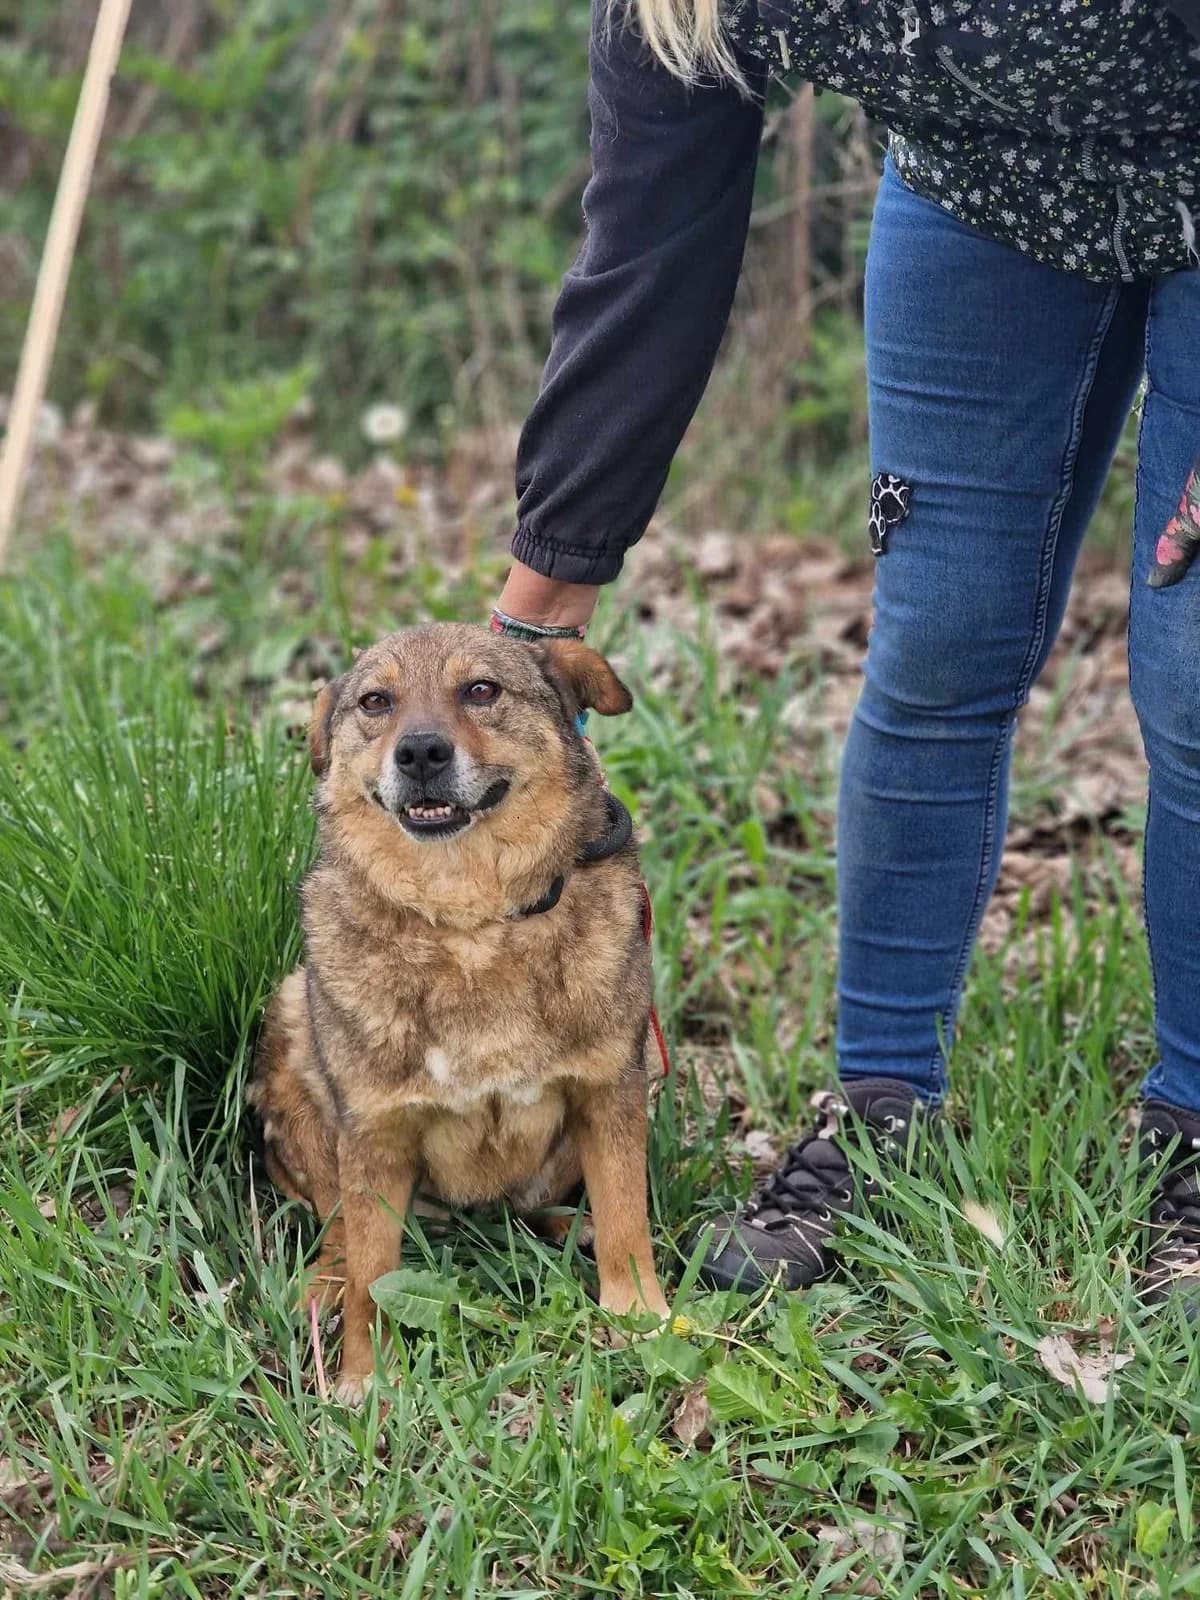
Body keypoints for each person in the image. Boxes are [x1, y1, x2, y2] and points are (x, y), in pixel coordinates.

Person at [489, 0, 1200, 1306]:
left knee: (1196, 667)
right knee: (938, 642)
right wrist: (535, 622)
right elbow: (654, 239)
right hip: (987, 203)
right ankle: (879, 1114)